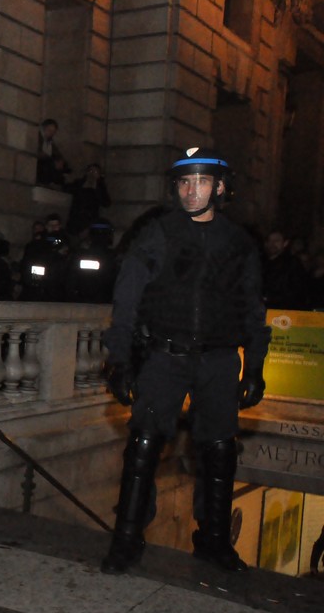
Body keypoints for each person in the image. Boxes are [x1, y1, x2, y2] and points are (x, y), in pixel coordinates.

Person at [101, 147, 270, 575]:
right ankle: (126, 538)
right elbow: (127, 301)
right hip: (165, 355)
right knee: (143, 445)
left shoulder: (238, 242)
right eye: (183, 182)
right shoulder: (156, 233)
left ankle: (213, 541)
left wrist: (254, 367)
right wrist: (119, 359)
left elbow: (253, 309)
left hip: (217, 360)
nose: (191, 191)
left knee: (218, 450)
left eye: (201, 182)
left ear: (220, 188)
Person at [261, 229, 309, 309]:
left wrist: (270, 298)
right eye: (269, 240)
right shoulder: (262, 262)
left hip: (284, 312)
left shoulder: (292, 263)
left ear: (285, 243)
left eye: (276, 241)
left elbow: (298, 291)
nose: (272, 244)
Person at [65, 162, 111, 236]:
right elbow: (68, 189)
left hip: (90, 221)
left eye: (95, 172)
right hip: (75, 218)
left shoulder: (100, 187)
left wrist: (97, 188)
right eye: (90, 171)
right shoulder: (79, 183)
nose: (92, 174)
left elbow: (106, 203)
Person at [36, 118, 71, 188]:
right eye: (49, 130)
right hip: (40, 164)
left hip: (49, 163)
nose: (51, 133)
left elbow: (58, 154)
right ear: (43, 128)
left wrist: (61, 161)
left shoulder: (51, 143)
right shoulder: (37, 137)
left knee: (65, 168)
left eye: (53, 132)